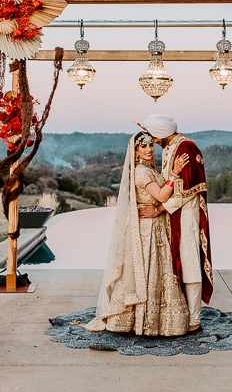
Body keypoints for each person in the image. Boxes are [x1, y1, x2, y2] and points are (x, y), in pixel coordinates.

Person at [85, 131, 191, 336]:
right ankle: (141, 321)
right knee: (147, 272)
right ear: (135, 151)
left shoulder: (148, 169)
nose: (149, 149)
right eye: (143, 146)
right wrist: (175, 174)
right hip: (147, 229)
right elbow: (160, 195)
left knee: (157, 272)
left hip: (156, 224)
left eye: (151, 145)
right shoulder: (142, 172)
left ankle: (156, 321)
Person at [139, 114, 213, 333]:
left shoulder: (186, 148)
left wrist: (160, 209)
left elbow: (190, 188)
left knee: (190, 266)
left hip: (187, 217)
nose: (152, 142)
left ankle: (194, 320)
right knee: (178, 265)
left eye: (153, 136)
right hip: (172, 218)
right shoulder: (172, 147)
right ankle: (181, 314)